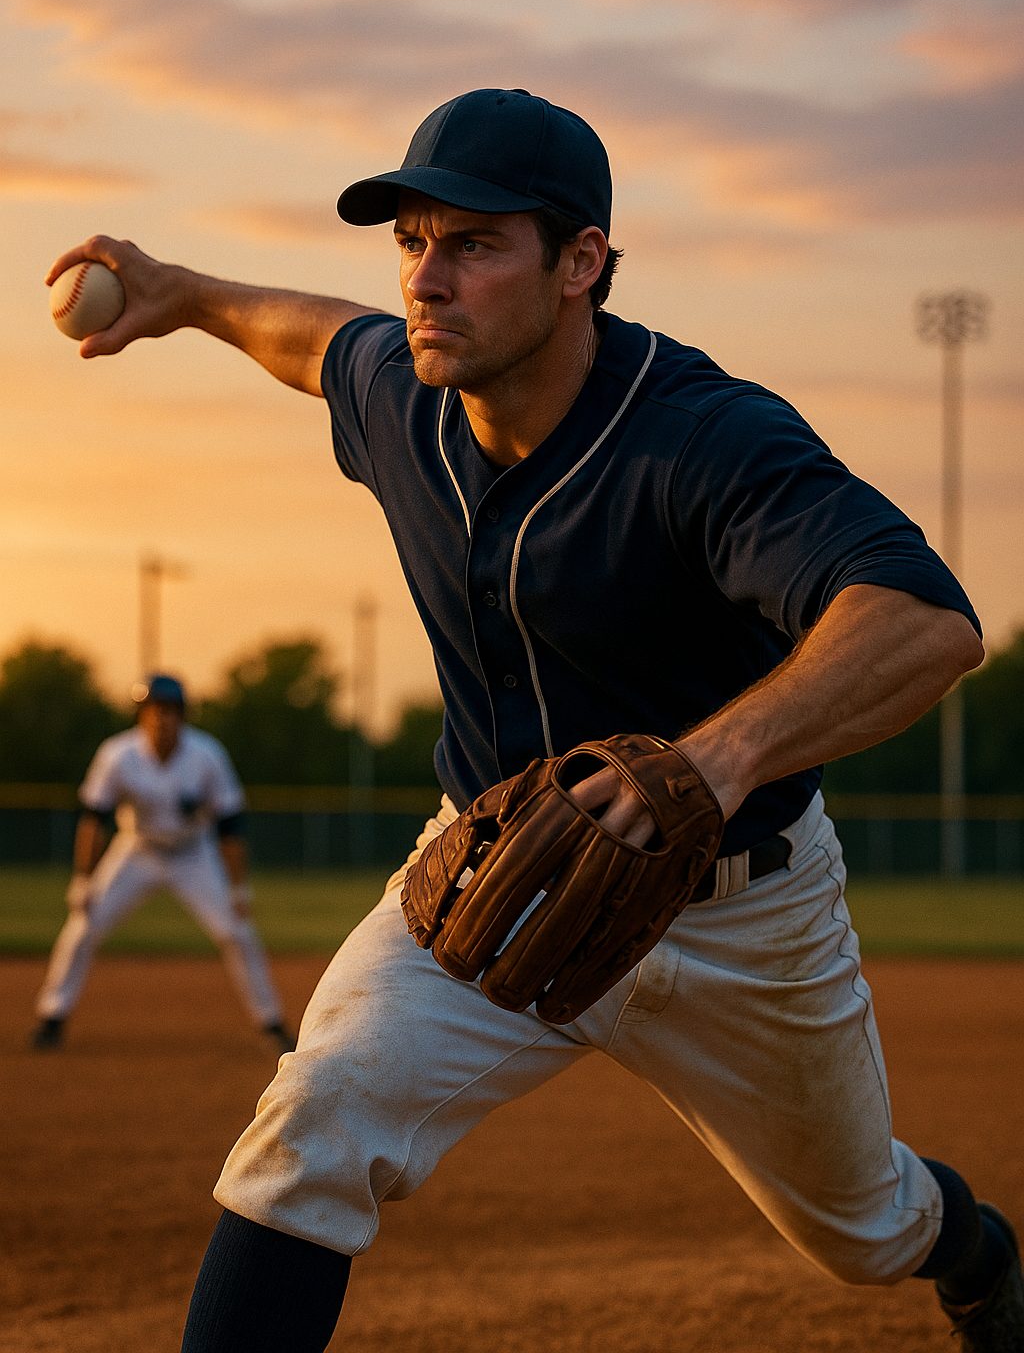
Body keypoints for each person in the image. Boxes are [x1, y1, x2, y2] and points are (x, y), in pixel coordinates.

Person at [48, 89, 1022, 1353]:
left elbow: (924, 621)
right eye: (410, 240)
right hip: (492, 878)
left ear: (581, 265)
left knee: (861, 1227)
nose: (426, 281)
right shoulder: (406, 396)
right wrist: (179, 290)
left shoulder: (702, 439)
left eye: (472, 243)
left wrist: (713, 759)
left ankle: (981, 1253)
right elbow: (310, 337)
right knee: (315, 1123)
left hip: (740, 913)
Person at [31, 672, 294, 1056]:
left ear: (182, 716)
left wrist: (238, 887)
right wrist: (82, 878)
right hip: (136, 850)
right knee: (84, 923)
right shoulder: (118, 754)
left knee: (236, 931)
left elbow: (230, 826)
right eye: (153, 710)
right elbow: (93, 817)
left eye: (170, 710)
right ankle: (52, 1016)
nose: (161, 718)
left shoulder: (207, 755)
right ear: (141, 716)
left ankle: (271, 1022)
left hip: (193, 853)